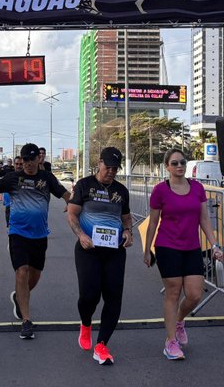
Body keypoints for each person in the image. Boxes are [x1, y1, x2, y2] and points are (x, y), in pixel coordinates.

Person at [143, 148, 224, 360]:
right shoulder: (160, 190)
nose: (180, 166)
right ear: (167, 167)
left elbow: (204, 219)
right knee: (173, 292)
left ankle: (178, 321)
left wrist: (215, 245)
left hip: (192, 247)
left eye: (182, 162)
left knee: (195, 294)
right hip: (167, 246)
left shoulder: (197, 188)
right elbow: (153, 222)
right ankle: (170, 342)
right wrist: (147, 250)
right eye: (175, 163)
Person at [0, 143, 72, 340]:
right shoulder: (13, 178)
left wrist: (72, 204)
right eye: (24, 160)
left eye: (31, 160)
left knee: (34, 275)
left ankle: (18, 296)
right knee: (21, 271)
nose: (27, 164)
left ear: (38, 159)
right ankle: (26, 321)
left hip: (39, 235)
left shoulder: (46, 178)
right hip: (18, 232)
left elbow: (64, 194)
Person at [67, 147, 132, 365]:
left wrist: (128, 232)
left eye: (115, 168)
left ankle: (102, 344)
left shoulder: (121, 191)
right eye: (108, 167)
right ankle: (86, 323)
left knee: (113, 297)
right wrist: (81, 235)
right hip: (88, 250)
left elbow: (126, 217)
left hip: (114, 251)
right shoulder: (84, 185)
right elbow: (72, 214)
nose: (111, 172)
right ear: (99, 163)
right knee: (89, 296)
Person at [1, 156, 23, 228]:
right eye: (17, 164)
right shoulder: (9, 175)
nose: (19, 166)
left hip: (21, 205)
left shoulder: (23, 177)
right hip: (9, 203)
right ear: (14, 164)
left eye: (21, 164)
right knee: (10, 226)